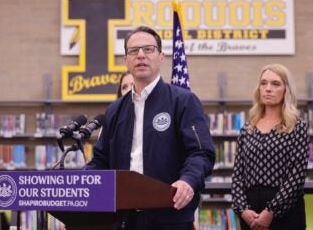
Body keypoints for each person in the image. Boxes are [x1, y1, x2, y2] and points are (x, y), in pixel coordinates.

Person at [86, 26, 215, 229]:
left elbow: (201, 152)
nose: (140, 56)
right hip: (123, 219)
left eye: (148, 49)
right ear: (126, 60)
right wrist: (81, 183)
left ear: (161, 57)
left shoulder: (183, 101)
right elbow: (101, 160)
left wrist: (188, 181)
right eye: (133, 51)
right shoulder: (115, 110)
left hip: (170, 216)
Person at [231, 64, 309, 230]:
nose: (268, 89)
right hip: (250, 213)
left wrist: (271, 211)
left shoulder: (297, 127)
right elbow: (237, 175)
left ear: (286, 90)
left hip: (286, 211)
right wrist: (243, 209)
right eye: (263, 83)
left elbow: (296, 177)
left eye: (275, 84)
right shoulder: (247, 128)